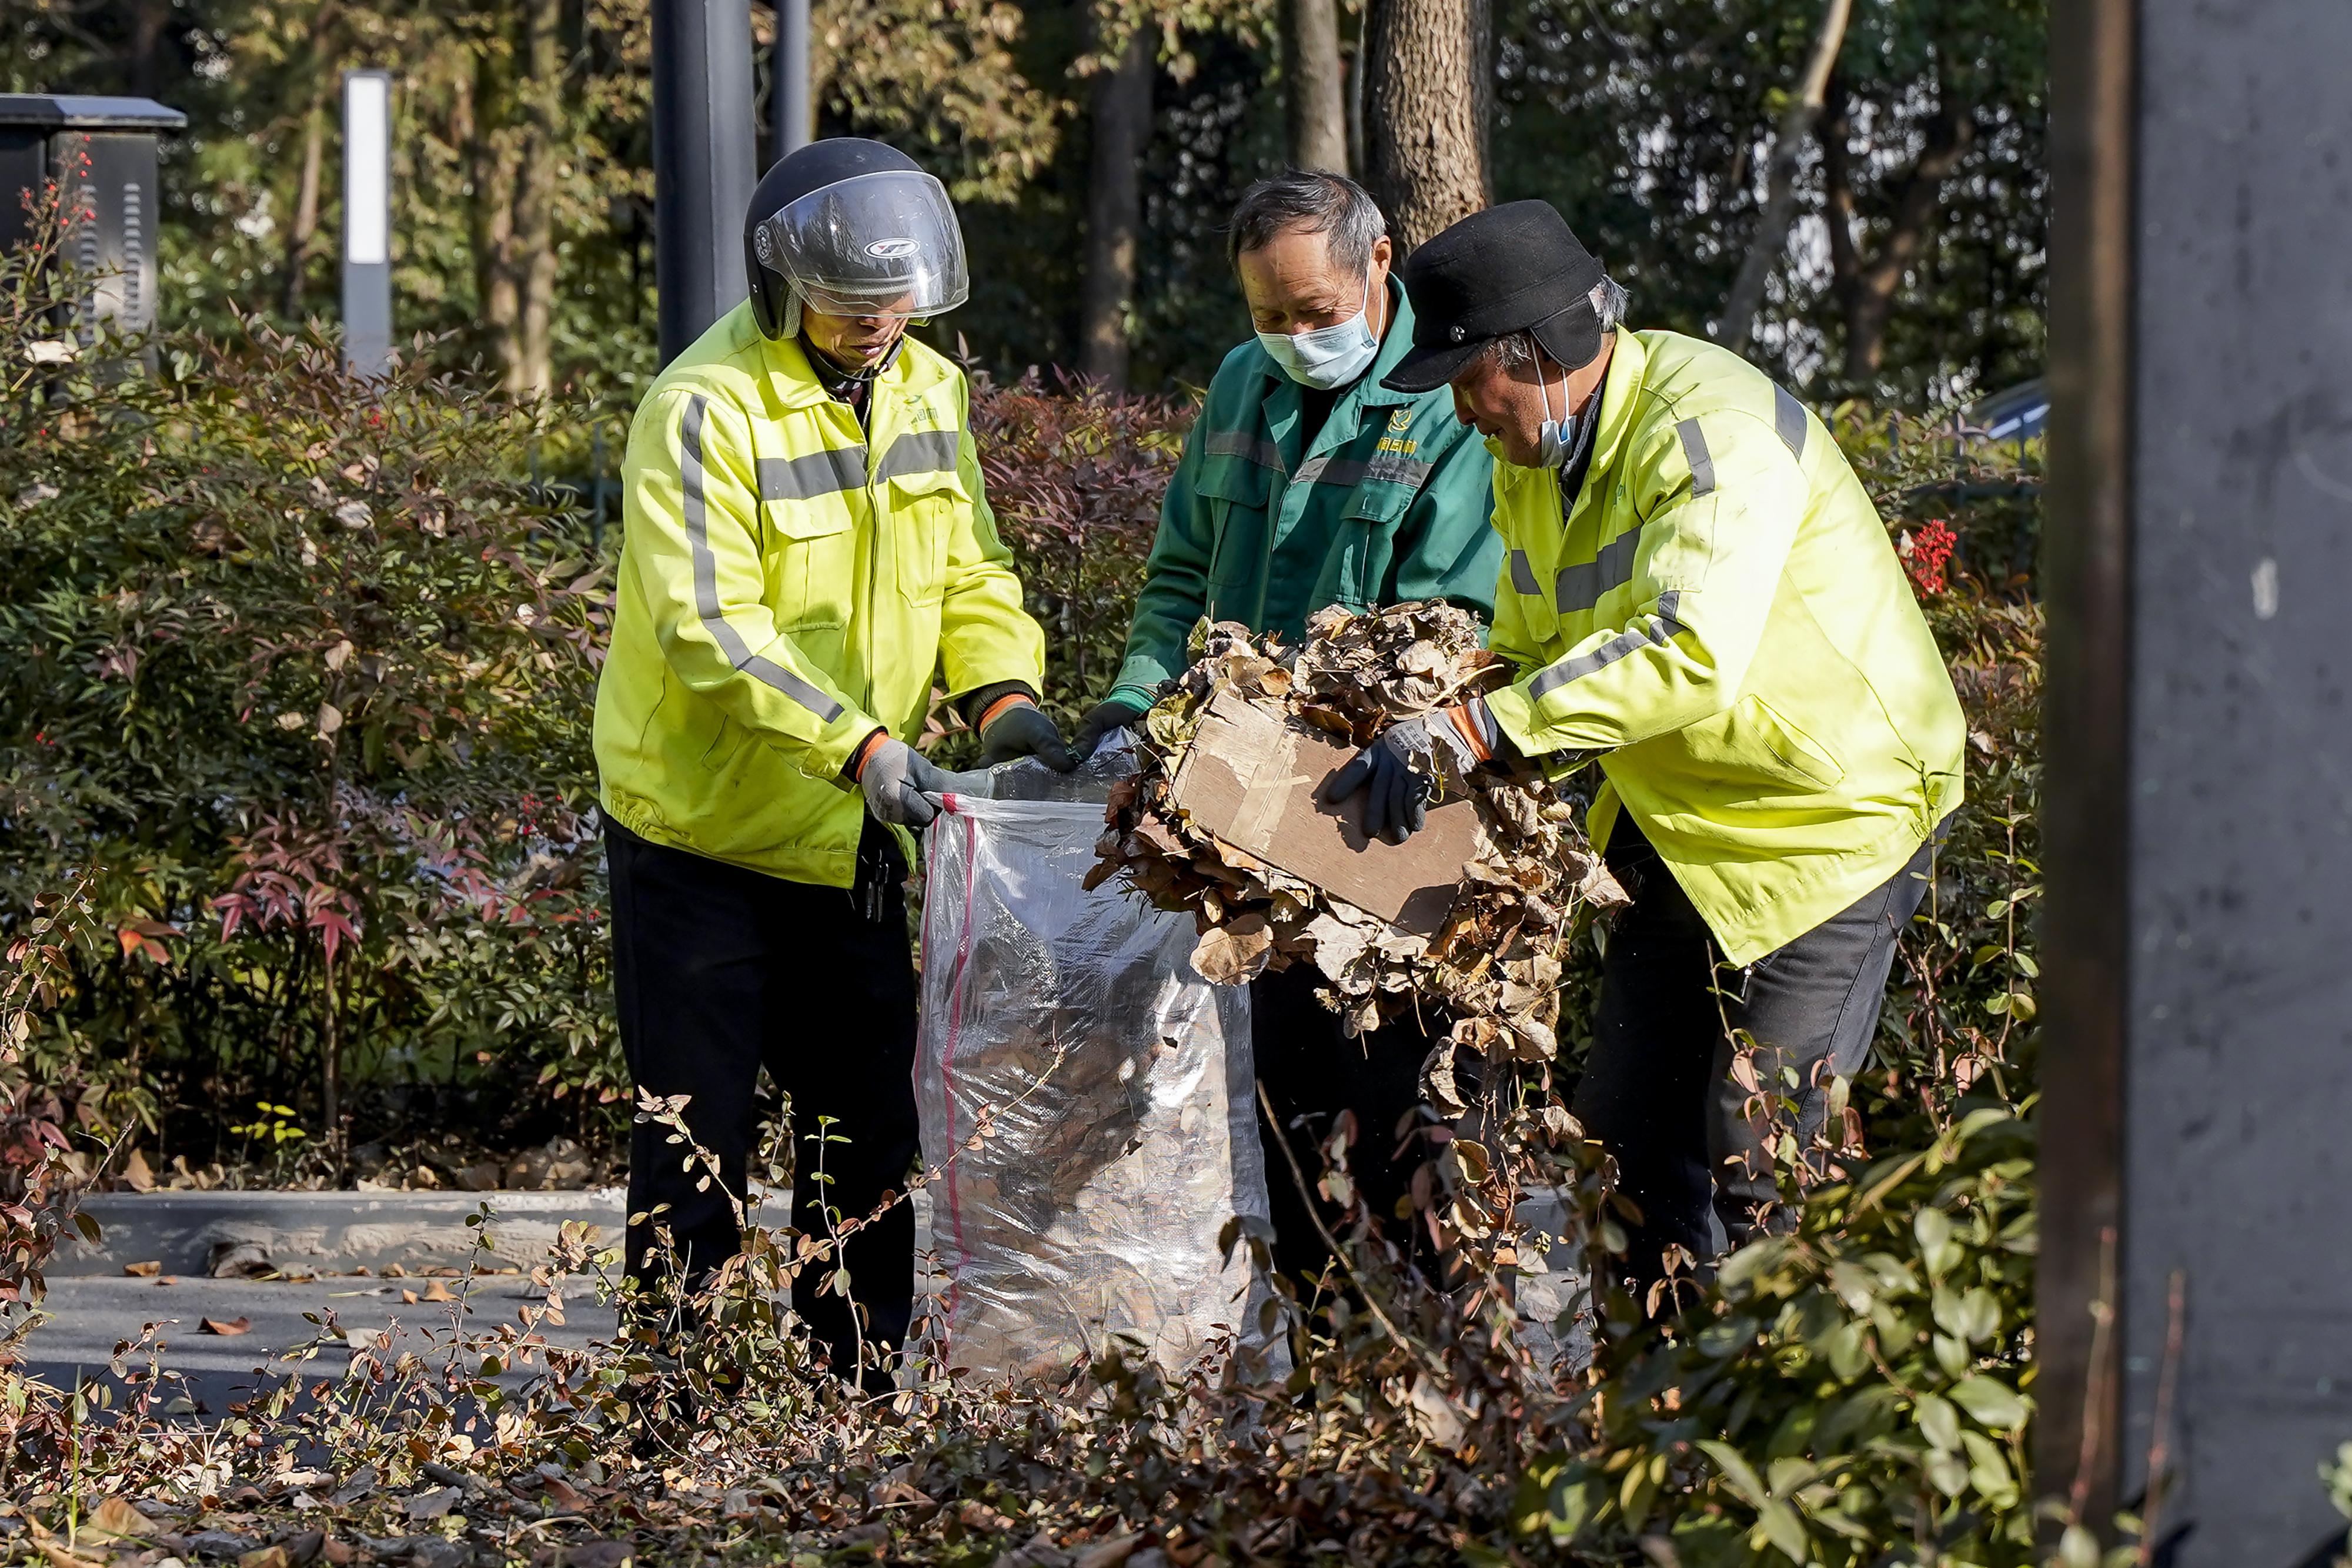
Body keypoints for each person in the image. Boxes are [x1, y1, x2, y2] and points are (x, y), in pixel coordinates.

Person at [1325, 199, 1966, 1306]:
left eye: (1476, 377)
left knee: (1764, 1145)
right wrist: (1425, 739)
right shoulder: (1534, 456)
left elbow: (1687, 648)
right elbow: (1527, 653)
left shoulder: (1706, 426)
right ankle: (1658, 1433)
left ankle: (1799, 1448)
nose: (1467, 410)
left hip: (1833, 821)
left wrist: (1472, 733)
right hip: (1682, 821)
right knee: (1624, 1148)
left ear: (1546, 350)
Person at [594, 138, 1074, 1380]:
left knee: (862, 1140)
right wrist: (857, 742)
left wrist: (1000, 693)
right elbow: (711, 629)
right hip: (696, 839)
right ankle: (669, 1410)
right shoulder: (701, 406)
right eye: (854, 306)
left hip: (851, 833)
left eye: (897, 303)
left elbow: (967, 567)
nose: (879, 327)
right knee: (693, 1147)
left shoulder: (928, 388)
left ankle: (847, 1393)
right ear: (780, 286)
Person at [1077, 169, 1500, 1289]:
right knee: (1292, 1127)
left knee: (1406, 1125)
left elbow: (1455, 619)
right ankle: (1328, 1403)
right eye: (1269, 317)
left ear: (1379, 261)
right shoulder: (1239, 386)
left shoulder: (1446, 395)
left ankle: (1440, 1386)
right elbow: (1180, 578)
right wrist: (1134, 703)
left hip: (1387, 812)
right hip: (1247, 814)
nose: (1295, 338)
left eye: (1316, 312)